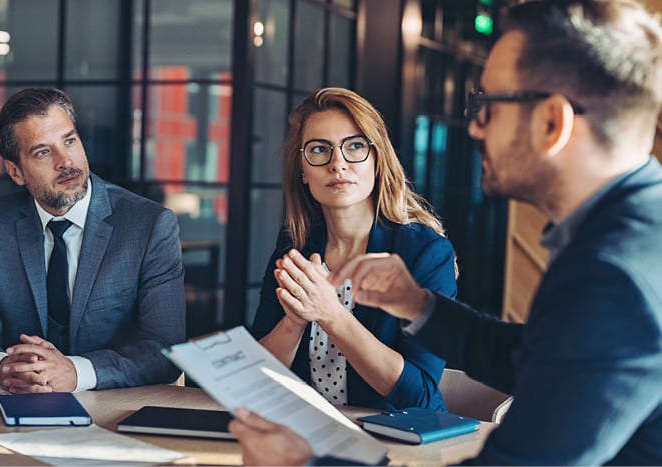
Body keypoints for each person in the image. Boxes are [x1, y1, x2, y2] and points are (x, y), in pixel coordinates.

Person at [231, 0, 662, 464]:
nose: (474, 127)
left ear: (552, 123)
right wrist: (418, 306)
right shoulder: (629, 236)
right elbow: (528, 353)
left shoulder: (615, 276)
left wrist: (305, 464)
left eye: (489, 106)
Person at [0, 88, 185, 393]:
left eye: (69, 141)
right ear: (15, 172)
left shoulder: (149, 226)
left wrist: (76, 372)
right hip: (23, 403)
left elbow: (165, 348)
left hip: (116, 407)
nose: (65, 161)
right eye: (43, 152)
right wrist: (1, 367)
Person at [250, 88, 456, 410]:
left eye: (355, 146)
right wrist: (293, 321)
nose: (338, 164)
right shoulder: (294, 246)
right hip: (308, 438)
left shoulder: (427, 253)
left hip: (399, 444)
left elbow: (421, 397)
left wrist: (330, 314)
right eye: (319, 149)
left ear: (377, 160)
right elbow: (255, 382)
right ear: (303, 171)